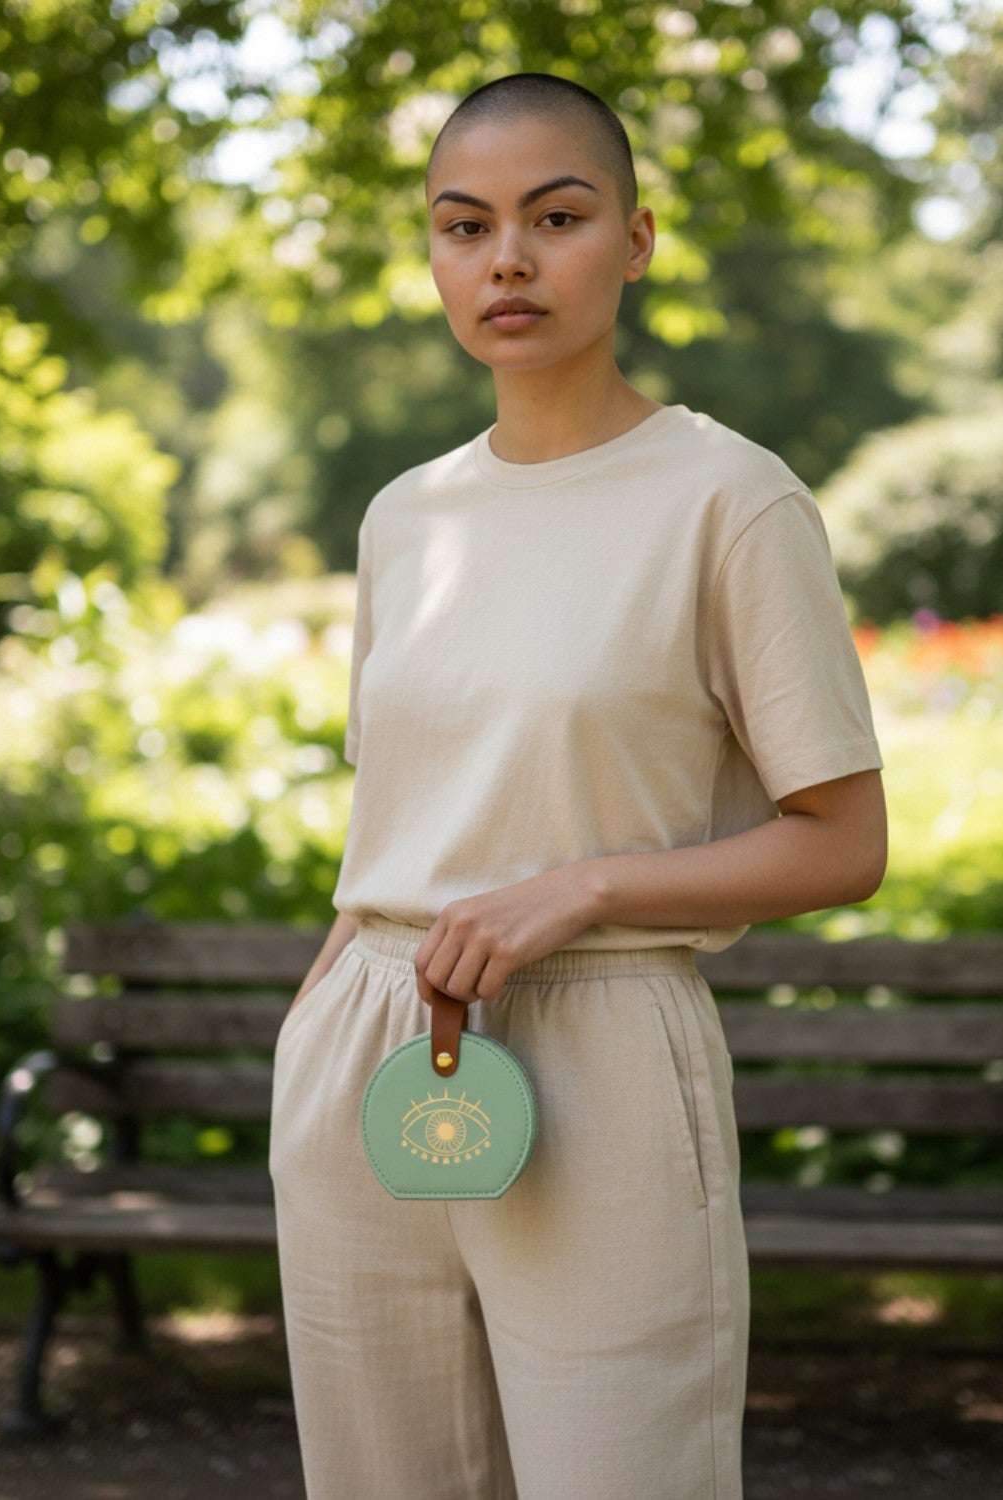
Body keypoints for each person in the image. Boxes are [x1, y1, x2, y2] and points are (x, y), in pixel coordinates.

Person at [268, 71, 887, 1500]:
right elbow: (398, 818)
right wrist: (315, 1034)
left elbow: (843, 843)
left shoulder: (731, 500)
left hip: (603, 1051)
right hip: (373, 1044)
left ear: (638, 239)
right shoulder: (405, 518)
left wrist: (584, 888)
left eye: (556, 217)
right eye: (464, 226)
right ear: (434, 255)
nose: (508, 260)